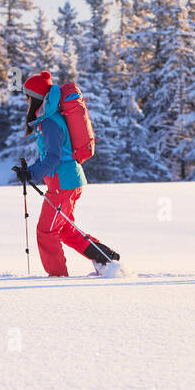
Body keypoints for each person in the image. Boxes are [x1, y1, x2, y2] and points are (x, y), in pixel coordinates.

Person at [12, 71, 123, 277]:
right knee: (65, 229)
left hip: (63, 185)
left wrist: (32, 174)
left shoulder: (49, 122)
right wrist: (30, 172)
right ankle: (107, 261)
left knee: (46, 232)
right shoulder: (50, 119)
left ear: (36, 98)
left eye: (28, 97)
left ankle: (57, 279)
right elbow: (53, 154)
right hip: (66, 181)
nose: (26, 102)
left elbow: (53, 157)